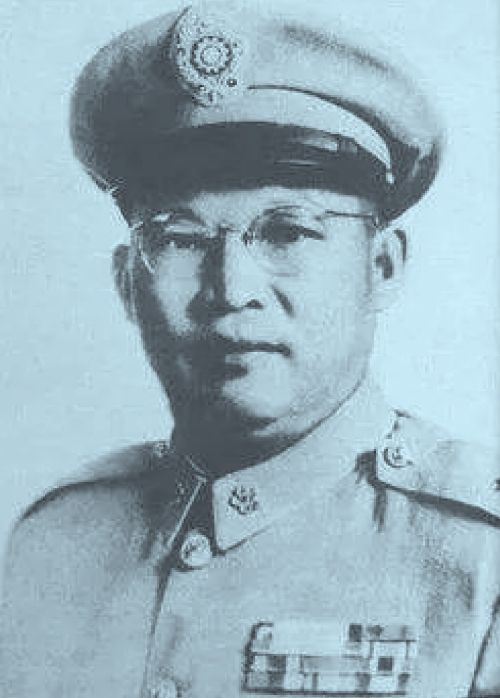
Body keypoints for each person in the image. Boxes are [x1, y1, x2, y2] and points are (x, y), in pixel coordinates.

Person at [1, 2, 498, 697]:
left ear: (382, 267)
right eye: (180, 238)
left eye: (288, 232)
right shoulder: (54, 543)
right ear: (126, 283)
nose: (231, 290)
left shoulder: (481, 558)